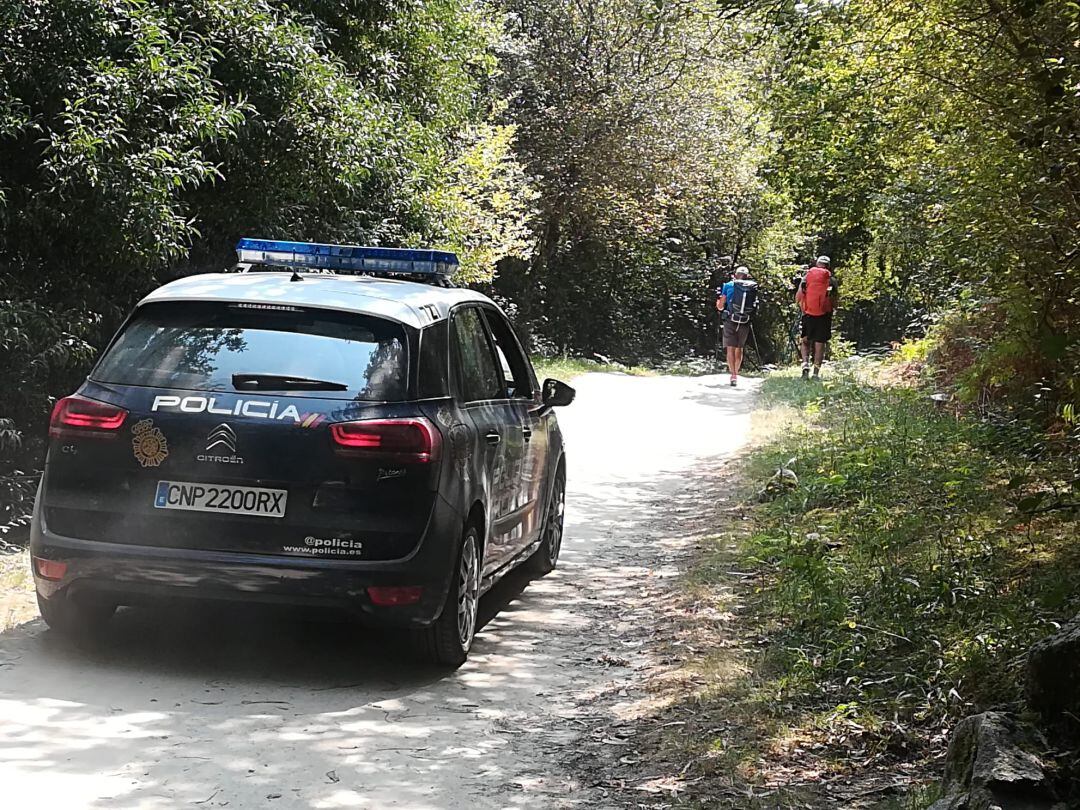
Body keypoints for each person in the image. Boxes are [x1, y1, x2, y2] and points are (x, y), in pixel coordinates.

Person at [715, 265, 759, 387]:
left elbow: (720, 306)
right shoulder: (752, 287)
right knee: (739, 348)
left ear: (735, 275)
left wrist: (718, 303)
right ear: (747, 276)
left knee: (730, 348)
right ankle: (737, 373)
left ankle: (733, 375)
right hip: (744, 321)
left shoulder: (728, 285)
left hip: (730, 320)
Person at [796, 255, 838, 379]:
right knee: (820, 343)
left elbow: (798, 297)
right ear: (828, 266)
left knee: (805, 340)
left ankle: (804, 364)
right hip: (824, 315)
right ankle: (815, 373)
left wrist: (804, 308)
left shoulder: (806, 277)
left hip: (808, 313)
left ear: (817, 264)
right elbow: (835, 301)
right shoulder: (831, 280)